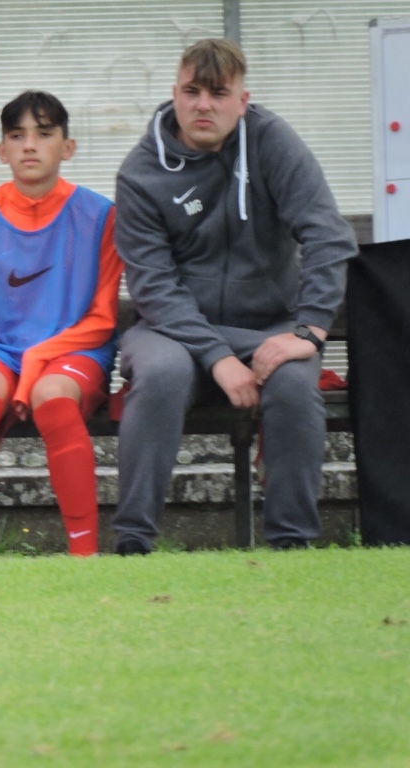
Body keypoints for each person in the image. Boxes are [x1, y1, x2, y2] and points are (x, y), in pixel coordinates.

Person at [113, 39, 358, 554]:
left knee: (294, 385)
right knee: (162, 374)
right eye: (192, 91)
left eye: (218, 93)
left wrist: (309, 331)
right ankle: (133, 544)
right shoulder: (140, 173)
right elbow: (153, 285)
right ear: (174, 94)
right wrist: (217, 356)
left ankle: (292, 546)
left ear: (242, 101)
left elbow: (328, 235)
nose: (204, 105)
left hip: (267, 325)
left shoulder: (271, 141)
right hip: (171, 332)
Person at [0, 90, 122, 559]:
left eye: (44, 133)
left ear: (68, 147)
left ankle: (85, 556)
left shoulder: (101, 216)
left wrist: (39, 359)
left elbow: (102, 318)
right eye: (17, 136)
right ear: (2, 151)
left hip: (74, 349)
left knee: (52, 399)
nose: (30, 145)